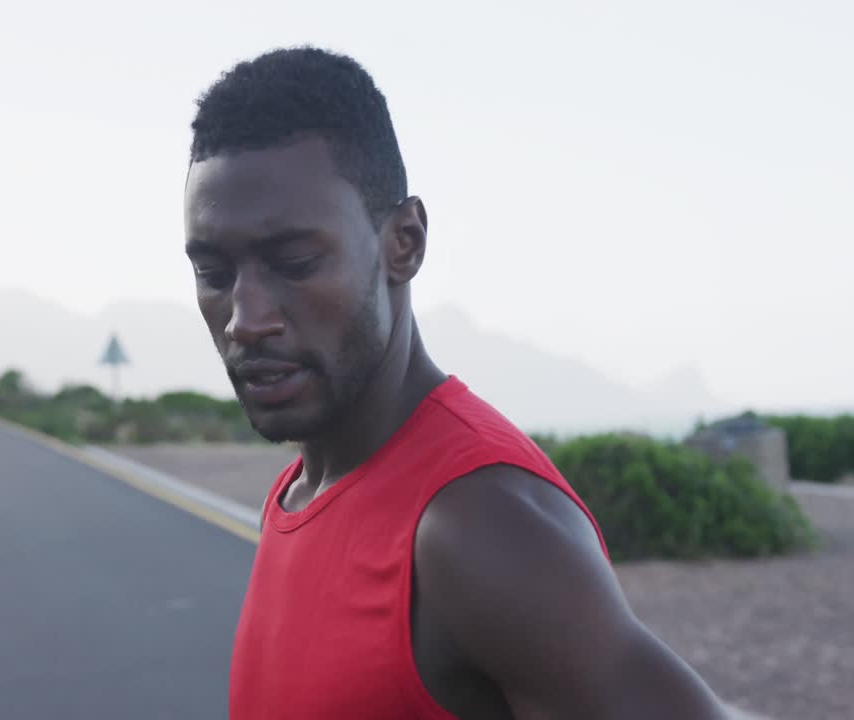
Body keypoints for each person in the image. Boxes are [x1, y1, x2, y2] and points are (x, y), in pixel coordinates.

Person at [183, 46, 731, 719]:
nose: (244, 319)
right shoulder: (299, 491)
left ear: (404, 242)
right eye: (214, 274)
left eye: (294, 263)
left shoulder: (478, 526)